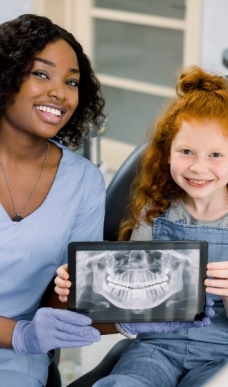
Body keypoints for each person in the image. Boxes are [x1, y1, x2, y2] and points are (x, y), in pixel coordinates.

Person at [55, 65, 228, 387]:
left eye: (216, 154)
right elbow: (131, 298)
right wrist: (85, 283)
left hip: (223, 355)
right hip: (156, 347)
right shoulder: (156, 209)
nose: (198, 166)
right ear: (167, 153)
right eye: (186, 151)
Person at [0, 13, 106, 387]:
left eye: (72, 82)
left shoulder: (84, 182)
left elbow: (72, 295)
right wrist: (17, 333)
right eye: (41, 74)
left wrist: (138, 314)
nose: (60, 93)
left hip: (17, 363)